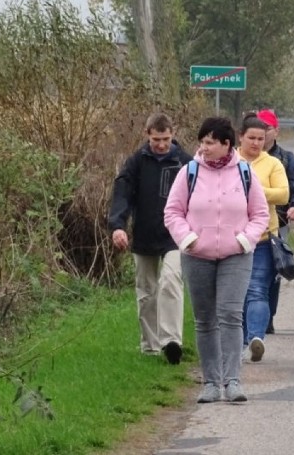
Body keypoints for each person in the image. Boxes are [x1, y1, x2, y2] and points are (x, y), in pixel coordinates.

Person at [164, 116, 269, 403]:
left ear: (226, 144)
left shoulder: (245, 173)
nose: (204, 147)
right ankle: (211, 382)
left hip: (236, 257)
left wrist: (244, 240)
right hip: (197, 257)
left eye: (210, 142)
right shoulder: (189, 172)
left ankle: (233, 380)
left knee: (231, 315)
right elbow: (172, 212)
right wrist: (188, 239)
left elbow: (260, 214)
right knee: (205, 320)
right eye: (202, 142)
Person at [108, 113, 192, 364]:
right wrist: (118, 226)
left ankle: (171, 341)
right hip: (144, 233)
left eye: (166, 139)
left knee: (170, 280)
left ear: (173, 134)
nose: (162, 145)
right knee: (146, 292)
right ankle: (150, 346)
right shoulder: (136, 162)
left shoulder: (185, 163)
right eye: (156, 139)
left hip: (176, 236)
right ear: (147, 134)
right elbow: (122, 194)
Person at [237, 115, 289, 362]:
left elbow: (283, 194)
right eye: (251, 138)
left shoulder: (273, 164)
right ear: (240, 137)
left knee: (258, 289)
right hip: (232, 239)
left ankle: (256, 338)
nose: (257, 143)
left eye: (260, 138)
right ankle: (240, 338)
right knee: (239, 293)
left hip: (264, 238)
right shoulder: (229, 161)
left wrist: (254, 188)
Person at [257, 108, 294, 335]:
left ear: (275, 131)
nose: (262, 134)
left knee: (274, 271)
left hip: (278, 225)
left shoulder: (286, 159)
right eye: (258, 129)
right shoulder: (242, 157)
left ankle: (268, 315)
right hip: (246, 224)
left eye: (266, 129)